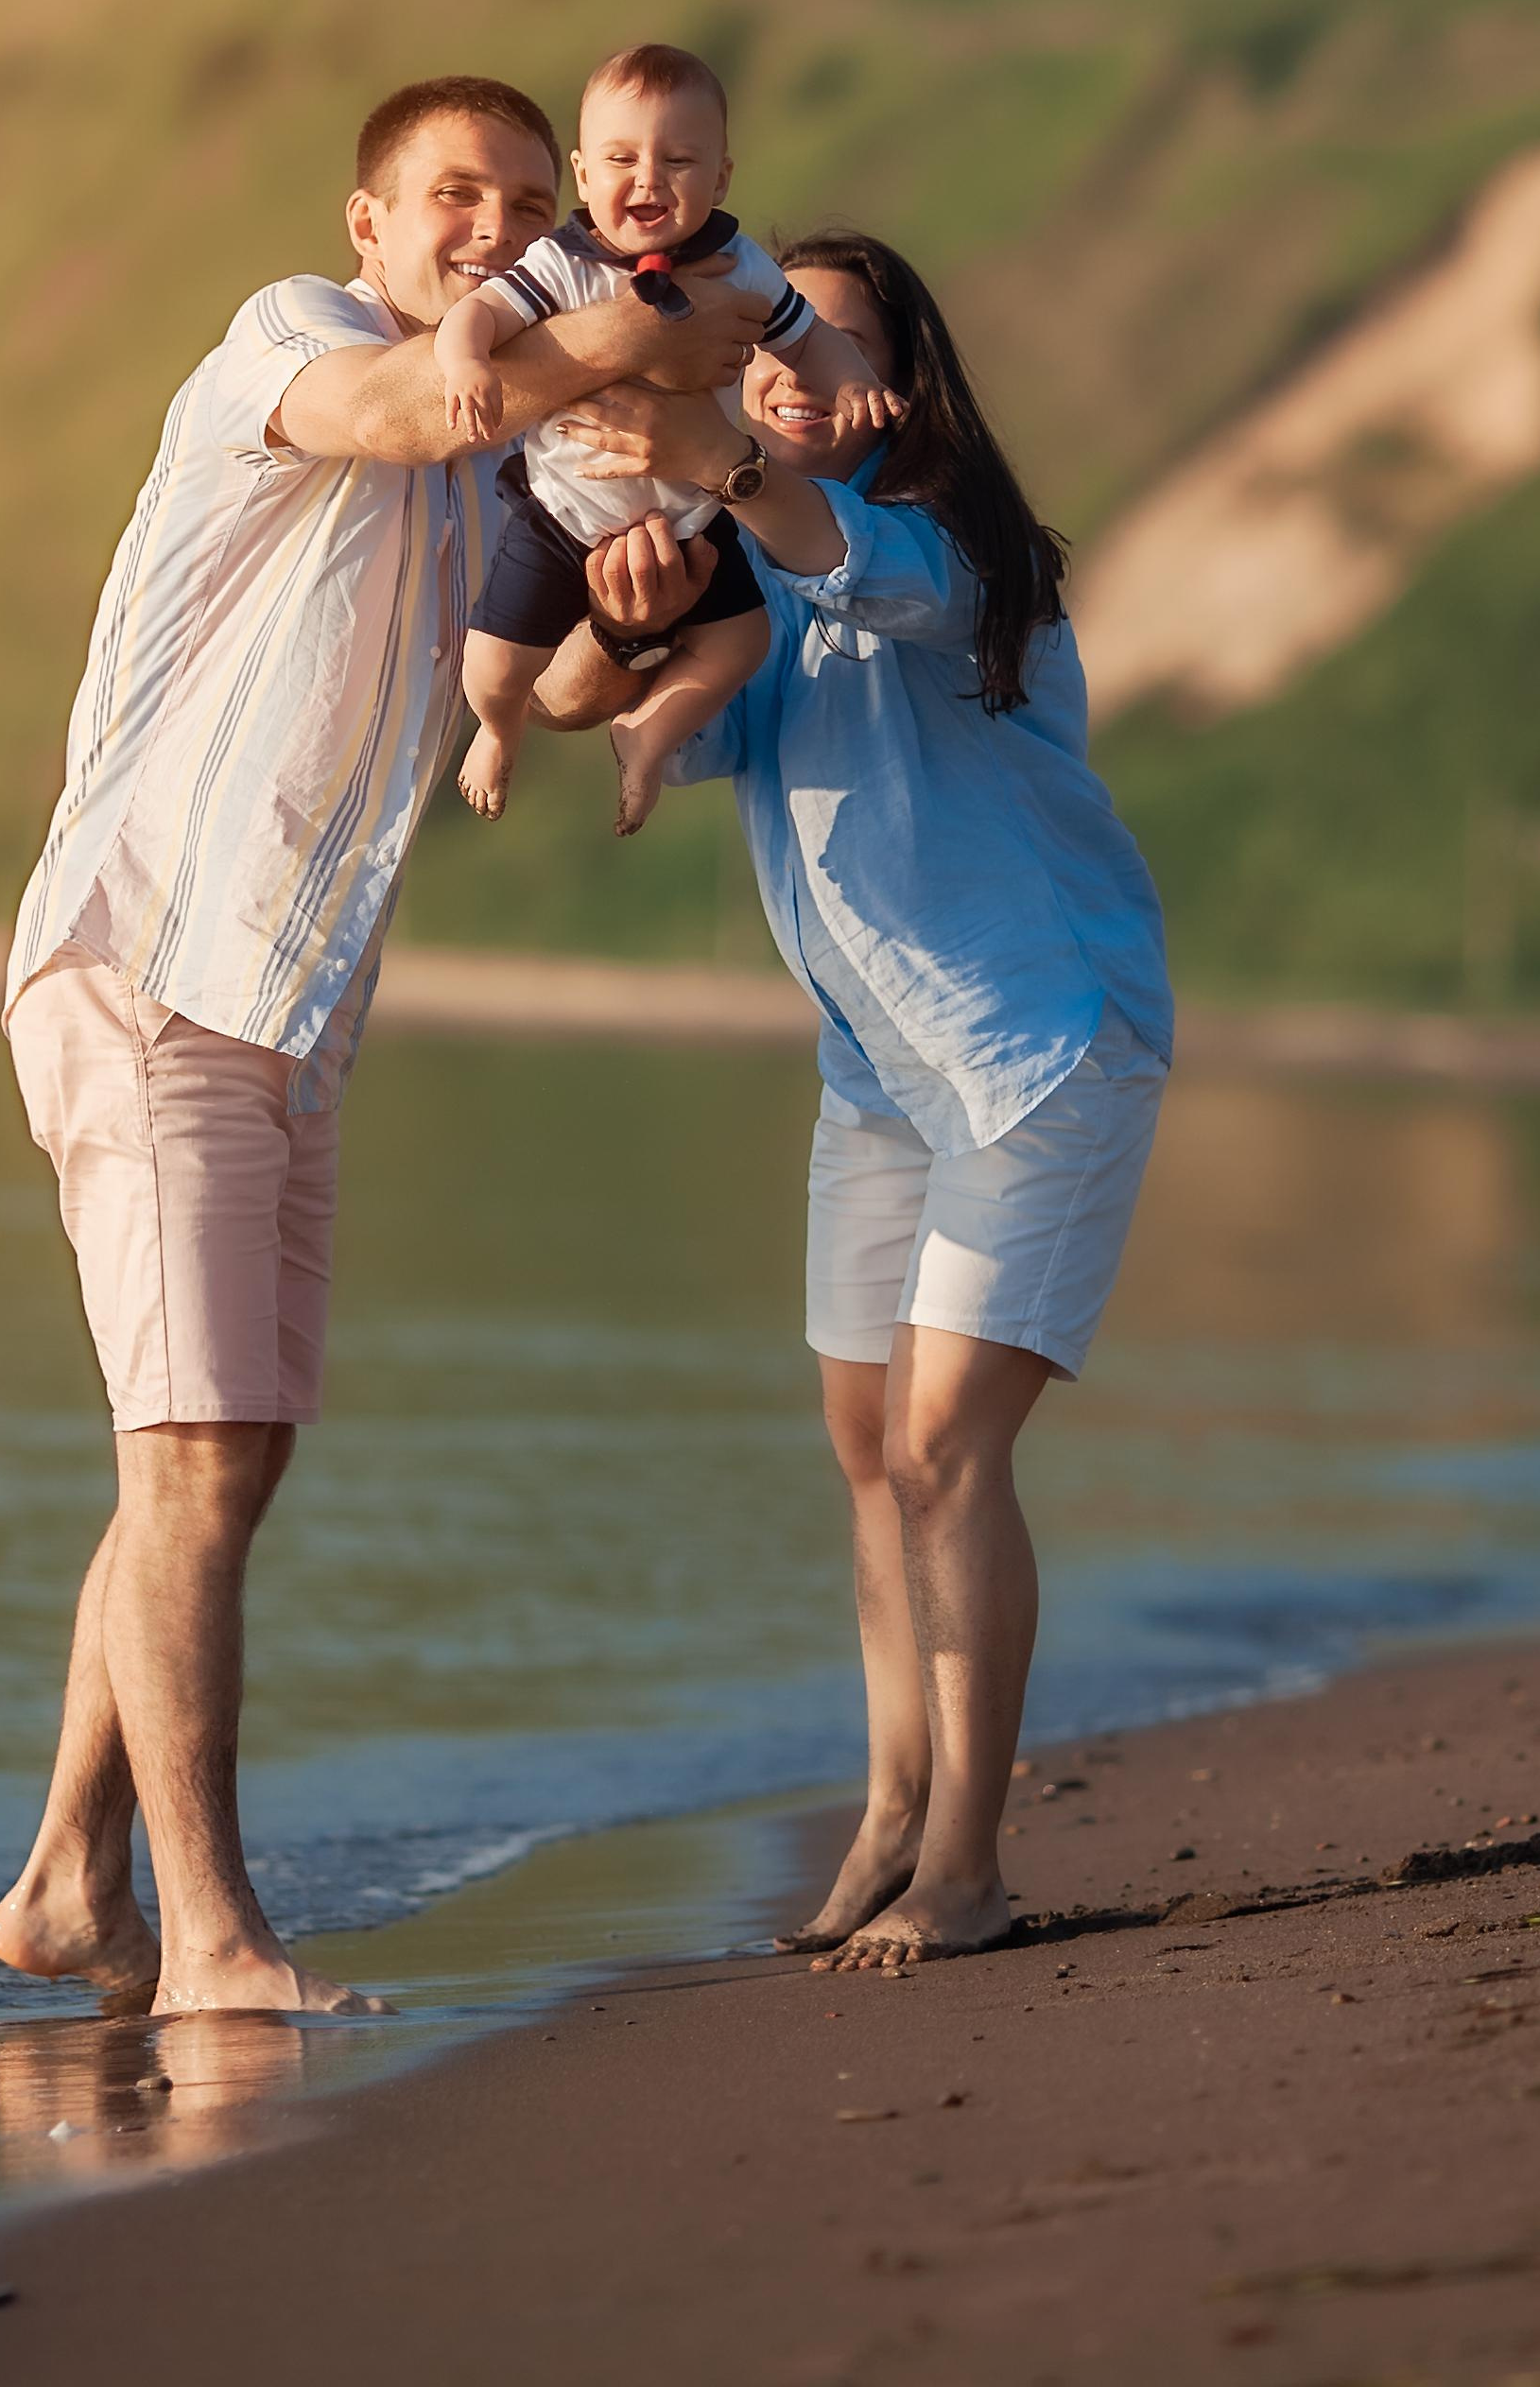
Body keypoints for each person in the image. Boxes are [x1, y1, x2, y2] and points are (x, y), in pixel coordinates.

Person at [0, 76, 770, 2018]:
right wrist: (689, 317)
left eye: (520, 201)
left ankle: (66, 1886)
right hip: (153, 972)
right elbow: (442, 397)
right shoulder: (292, 342)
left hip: (290, 1006)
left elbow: (558, 685)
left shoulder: (484, 471)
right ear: (365, 222)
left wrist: (636, 606)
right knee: (182, 1461)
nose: (486, 229)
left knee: (220, 1463)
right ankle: (212, 1946)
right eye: (450, 197)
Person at [544, 229, 1172, 1970]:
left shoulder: (960, 550)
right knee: (862, 1453)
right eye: (763, 337)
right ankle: (892, 1804)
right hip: (876, 1075)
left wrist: (725, 455)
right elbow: (603, 698)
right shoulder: (768, 578)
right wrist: (629, 613)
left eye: (818, 339)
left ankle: (969, 1859)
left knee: (943, 1447)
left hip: (1037, 1044)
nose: (780, 363)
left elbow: (844, 550)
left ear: (898, 377)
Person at [438, 44, 874, 835]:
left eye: (678, 159)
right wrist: (465, 359)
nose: (648, 178)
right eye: (621, 158)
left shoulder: (743, 268)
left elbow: (810, 340)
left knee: (741, 639)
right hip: (564, 512)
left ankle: (648, 738)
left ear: (722, 177)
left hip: (694, 516)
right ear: (582, 171)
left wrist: (853, 381)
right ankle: (497, 731)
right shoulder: (562, 265)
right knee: (496, 662)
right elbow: (479, 315)